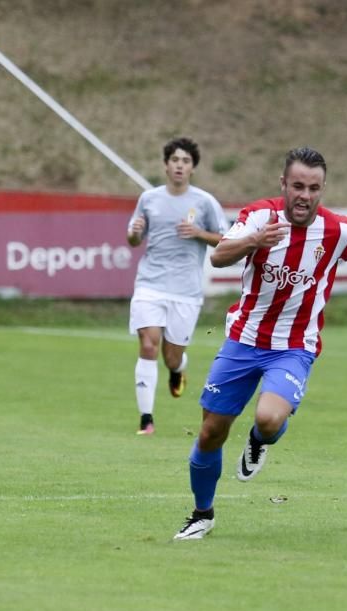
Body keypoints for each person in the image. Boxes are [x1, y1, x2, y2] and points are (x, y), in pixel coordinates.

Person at [173, 146, 347, 540]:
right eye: (298, 186)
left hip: (294, 346)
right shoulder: (259, 217)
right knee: (210, 433)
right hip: (243, 340)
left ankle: (259, 441)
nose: (305, 195)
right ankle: (202, 513)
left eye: (314, 188)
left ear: (323, 189)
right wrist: (255, 240)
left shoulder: (338, 230)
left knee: (268, 420)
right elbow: (219, 257)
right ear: (283, 184)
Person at [126, 137, 228, 436]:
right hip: (150, 284)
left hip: (186, 290)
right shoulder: (149, 199)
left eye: (186, 161)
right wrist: (135, 233)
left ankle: (178, 368)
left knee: (171, 356)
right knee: (148, 344)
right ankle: (146, 419)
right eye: (175, 160)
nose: (180, 166)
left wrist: (198, 233)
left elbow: (225, 239)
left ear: (193, 168)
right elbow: (133, 239)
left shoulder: (205, 202)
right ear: (166, 165)